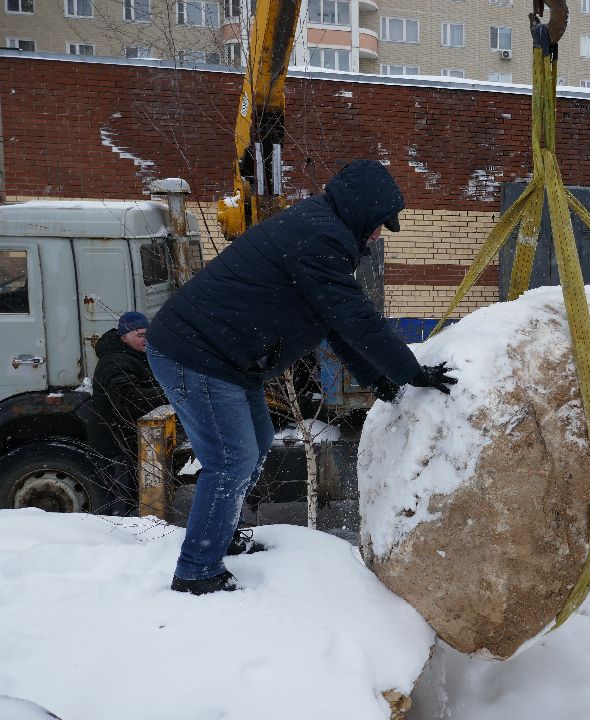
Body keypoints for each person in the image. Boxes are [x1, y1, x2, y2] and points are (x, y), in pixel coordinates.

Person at [147, 159, 457, 596]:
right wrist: (411, 370)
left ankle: (222, 535)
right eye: (378, 224)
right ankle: (197, 571)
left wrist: (380, 380)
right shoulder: (320, 237)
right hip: (197, 355)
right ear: (363, 211)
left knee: (252, 449)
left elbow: (335, 324)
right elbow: (355, 316)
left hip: (227, 359)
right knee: (231, 459)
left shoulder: (321, 229)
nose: (378, 234)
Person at [86, 311, 168, 516]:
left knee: (131, 499)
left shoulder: (136, 356)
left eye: (147, 334)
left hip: (129, 441)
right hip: (115, 446)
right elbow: (130, 400)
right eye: (140, 335)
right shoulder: (115, 362)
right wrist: (169, 392)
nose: (145, 339)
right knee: (119, 505)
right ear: (124, 337)